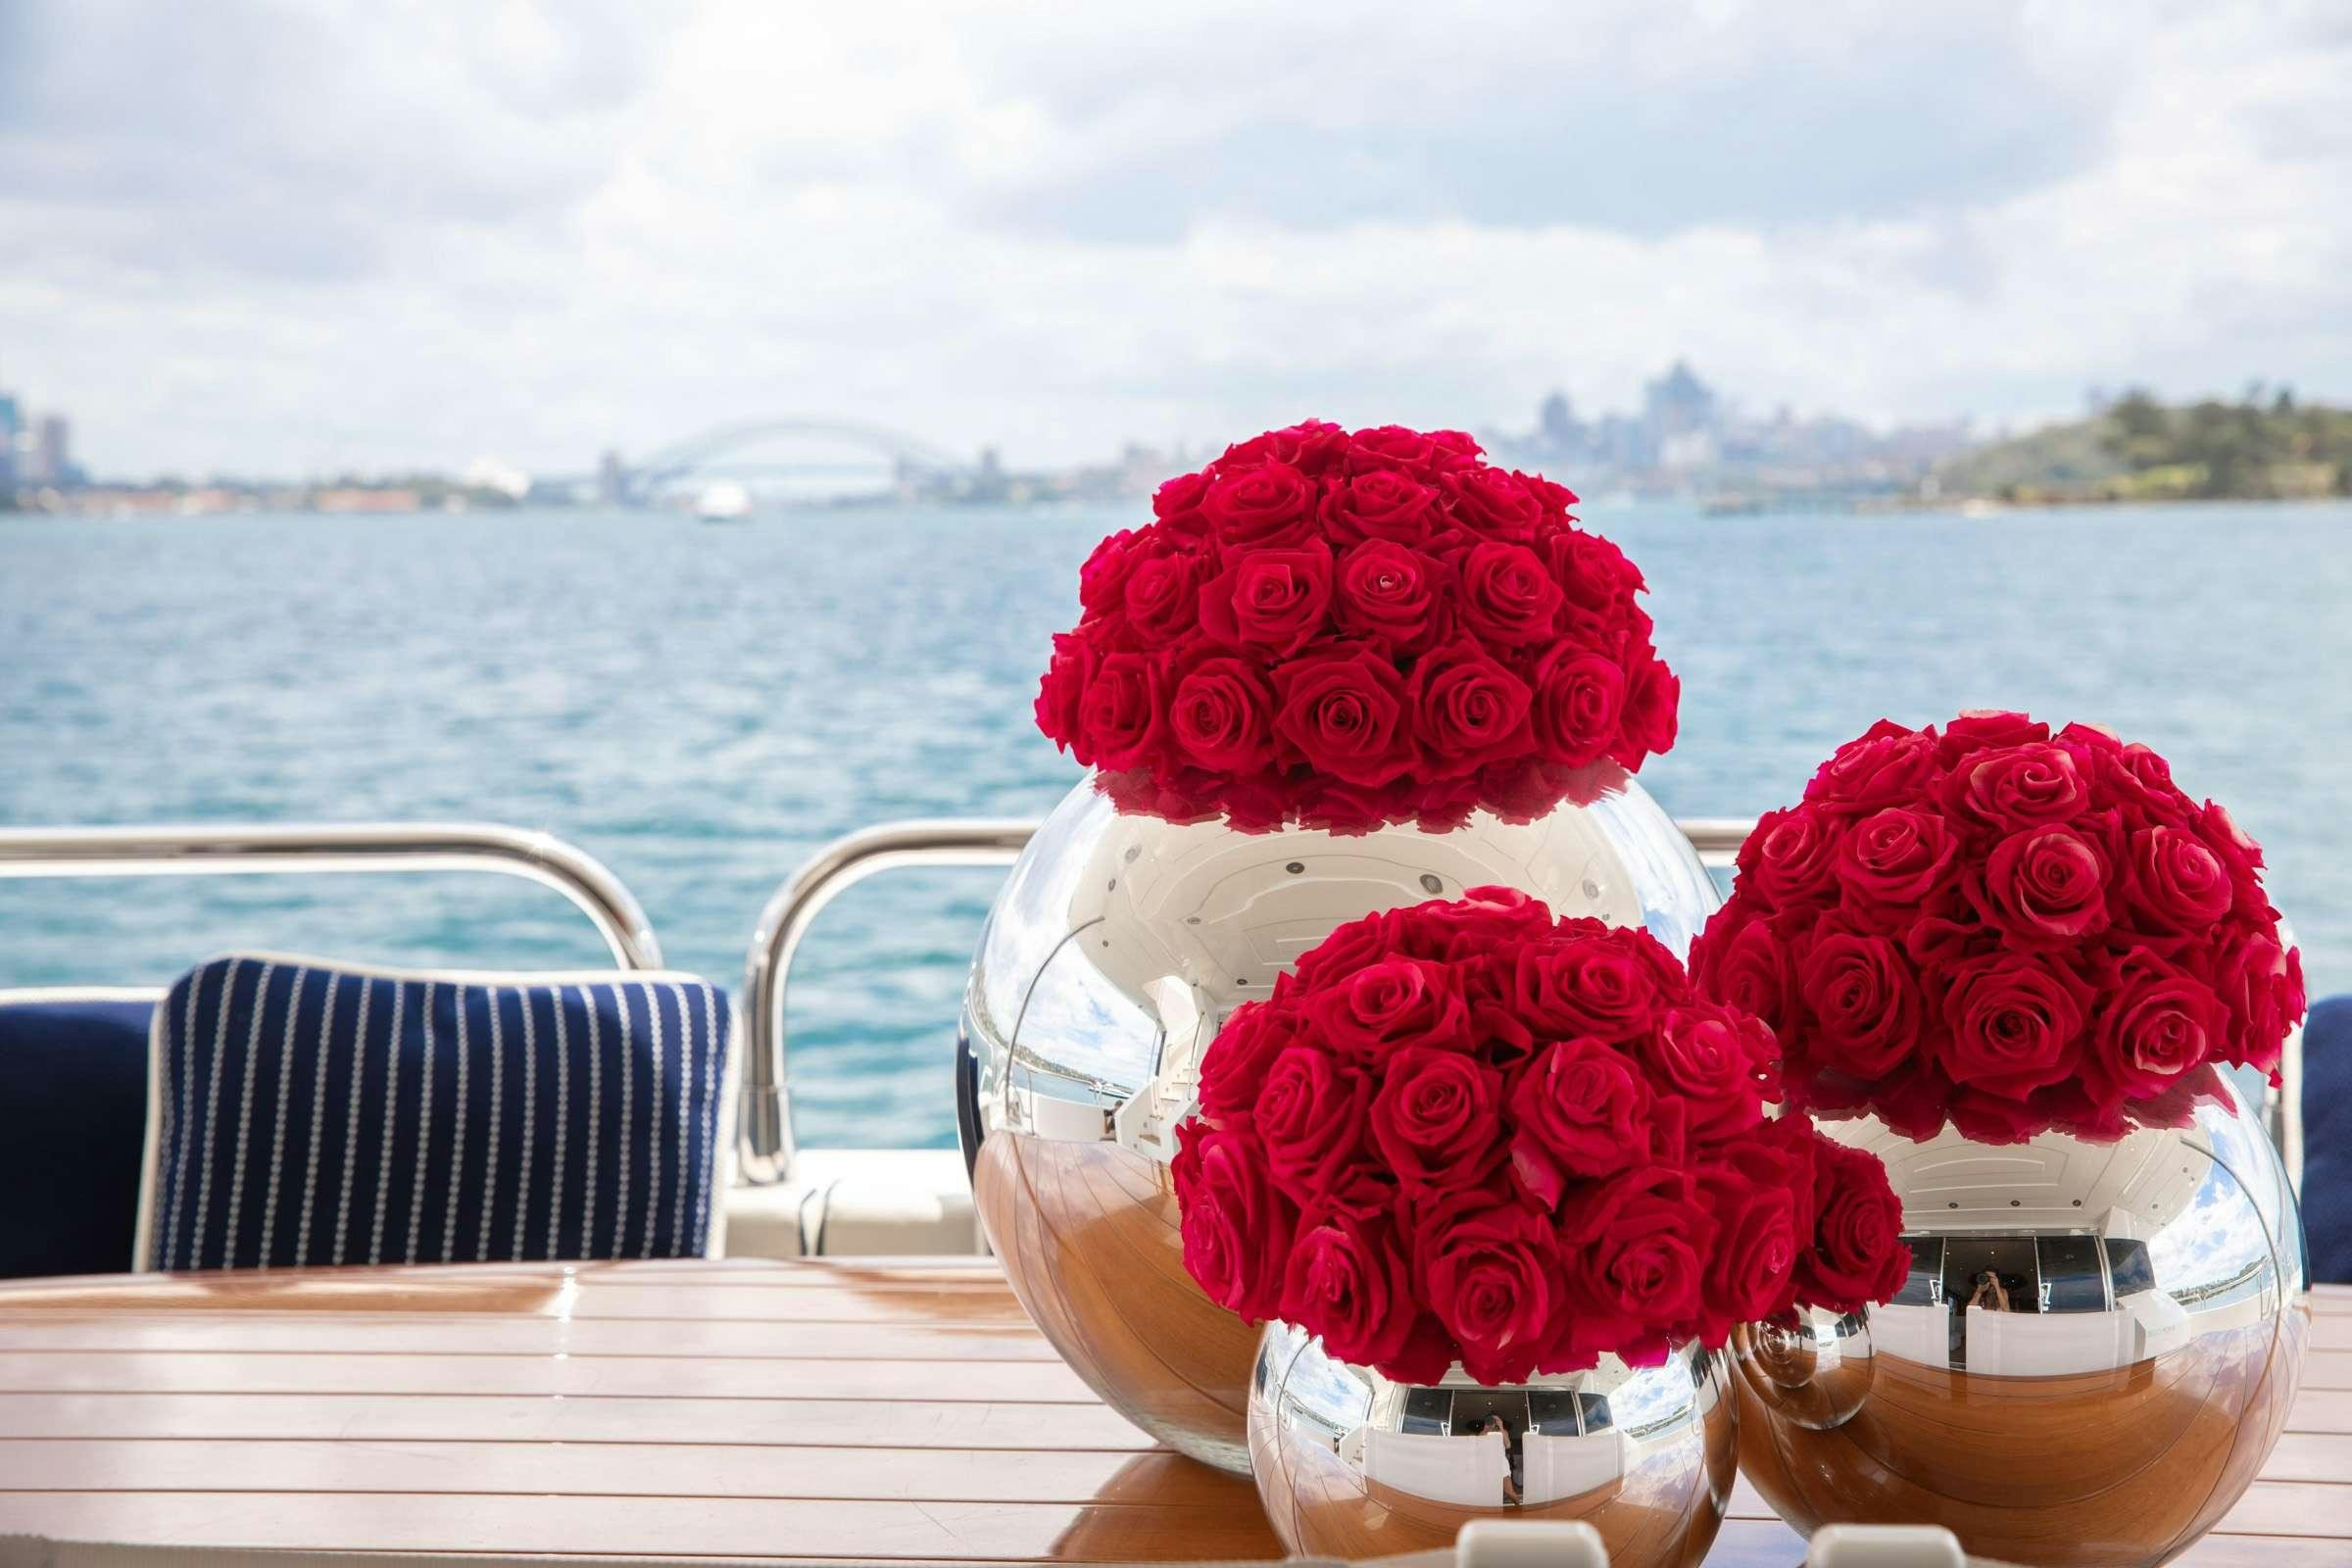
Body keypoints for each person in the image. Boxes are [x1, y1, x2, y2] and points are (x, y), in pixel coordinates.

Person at [1481, 1414, 1521, 1506]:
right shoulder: (1484, 1432)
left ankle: (1520, 1508)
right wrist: (1485, 1428)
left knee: (1509, 1491)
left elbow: (1508, 1445)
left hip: (1501, 1463)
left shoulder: (1503, 1431)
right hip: (1488, 1464)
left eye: (1494, 1420)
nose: (1492, 1422)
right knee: (1490, 1492)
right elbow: (1478, 1444)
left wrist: (1501, 1426)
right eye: (1490, 1420)